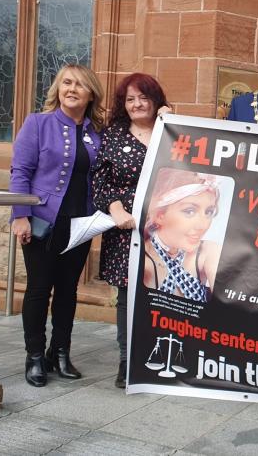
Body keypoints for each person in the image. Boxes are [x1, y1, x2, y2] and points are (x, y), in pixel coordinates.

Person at [9, 64, 104, 387]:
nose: (71, 89)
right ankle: (34, 356)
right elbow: (20, 171)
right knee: (38, 289)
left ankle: (59, 352)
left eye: (79, 84)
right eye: (66, 83)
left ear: (91, 93)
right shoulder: (38, 124)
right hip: (43, 222)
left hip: (80, 223)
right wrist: (20, 214)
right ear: (57, 88)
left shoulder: (96, 133)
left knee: (68, 291)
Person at [91, 73, 170, 388]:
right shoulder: (114, 134)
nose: (137, 104)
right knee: (127, 296)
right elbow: (99, 179)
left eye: (144, 97)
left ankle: (161, 357)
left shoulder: (172, 131)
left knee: (162, 293)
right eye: (130, 98)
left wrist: (175, 120)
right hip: (126, 229)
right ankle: (127, 361)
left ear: (155, 99)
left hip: (165, 228)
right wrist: (115, 208)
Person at [142, 169, 222, 303]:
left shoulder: (209, 252)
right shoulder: (142, 258)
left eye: (208, 212)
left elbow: (230, 307)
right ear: (160, 215)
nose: (203, 225)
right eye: (189, 211)